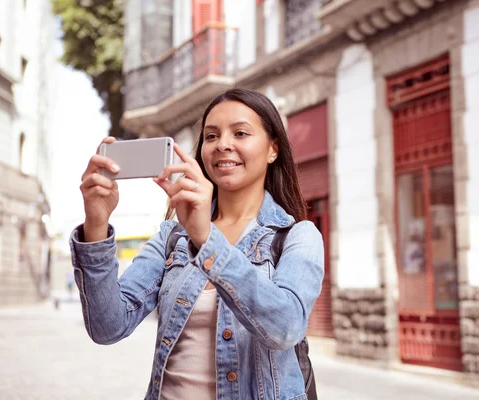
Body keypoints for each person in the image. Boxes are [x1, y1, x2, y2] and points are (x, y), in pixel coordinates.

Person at [69, 88, 325, 400]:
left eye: (241, 133)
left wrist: (207, 239)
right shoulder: (172, 236)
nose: (223, 145)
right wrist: (96, 224)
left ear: (273, 149)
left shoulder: (297, 236)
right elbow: (107, 327)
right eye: (211, 136)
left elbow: (285, 328)